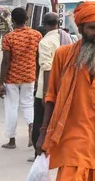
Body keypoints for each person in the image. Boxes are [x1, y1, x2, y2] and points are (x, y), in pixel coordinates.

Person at [36, 1, 95, 181]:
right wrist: (43, 132)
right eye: (91, 28)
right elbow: (51, 95)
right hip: (69, 130)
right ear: (80, 29)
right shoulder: (63, 54)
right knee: (70, 175)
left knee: (93, 175)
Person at [0, 7, 42, 149]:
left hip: (11, 78)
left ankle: (12, 140)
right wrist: (36, 77)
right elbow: (38, 58)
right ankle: (31, 127)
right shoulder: (36, 35)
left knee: (11, 107)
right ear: (27, 19)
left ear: (12, 20)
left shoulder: (9, 38)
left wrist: (0, 82)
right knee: (28, 105)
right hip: (29, 76)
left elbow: (6, 61)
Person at [32, 13, 72, 159]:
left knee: (40, 121)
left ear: (45, 24)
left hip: (47, 87)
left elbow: (47, 68)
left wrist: (46, 93)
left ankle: (39, 152)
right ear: (58, 23)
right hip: (65, 85)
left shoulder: (45, 42)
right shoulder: (67, 38)